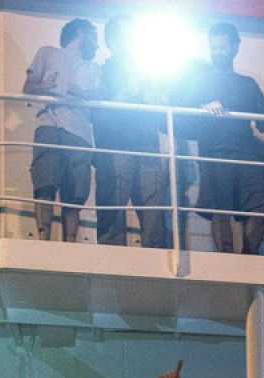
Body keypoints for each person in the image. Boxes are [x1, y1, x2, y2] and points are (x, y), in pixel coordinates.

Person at [185, 22, 264, 254]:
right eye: (213, 47)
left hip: (247, 154)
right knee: (220, 209)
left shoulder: (247, 84)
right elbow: (183, 115)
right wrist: (202, 106)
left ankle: (248, 257)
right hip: (214, 152)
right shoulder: (200, 81)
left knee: (259, 207)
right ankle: (227, 259)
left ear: (235, 47)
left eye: (222, 47)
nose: (217, 52)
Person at [94, 16, 170, 249]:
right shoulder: (101, 72)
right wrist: (127, 93)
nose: (131, 40)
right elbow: (97, 112)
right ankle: (111, 265)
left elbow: (164, 117)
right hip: (115, 148)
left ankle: (157, 265)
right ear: (112, 40)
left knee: (154, 213)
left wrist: (160, 101)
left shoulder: (150, 73)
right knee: (112, 211)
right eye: (126, 35)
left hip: (148, 146)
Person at [24, 18, 100, 242]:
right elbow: (27, 87)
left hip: (80, 132)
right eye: (93, 37)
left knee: (76, 192)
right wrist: (44, 88)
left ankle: (70, 243)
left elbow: (101, 95)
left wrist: (83, 94)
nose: (97, 44)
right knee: (44, 183)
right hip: (49, 124)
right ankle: (43, 240)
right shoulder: (47, 53)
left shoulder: (95, 68)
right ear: (80, 33)